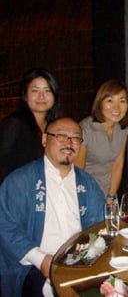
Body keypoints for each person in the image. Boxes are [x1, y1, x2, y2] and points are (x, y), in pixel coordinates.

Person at [0, 117, 104, 296]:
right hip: (34, 266)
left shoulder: (88, 184)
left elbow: (99, 226)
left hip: (80, 264)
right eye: (61, 136)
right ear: (44, 139)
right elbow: (7, 227)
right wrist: (42, 260)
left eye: (75, 138)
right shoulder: (20, 181)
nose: (69, 143)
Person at [0, 68, 61, 184]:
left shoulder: (54, 126)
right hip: (16, 190)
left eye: (47, 91)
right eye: (35, 91)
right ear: (25, 95)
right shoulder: (14, 123)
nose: (41, 96)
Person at [74, 79, 128, 201]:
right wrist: (90, 199)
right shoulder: (85, 130)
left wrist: (111, 196)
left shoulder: (122, 129)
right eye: (110, 100)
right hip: (86, 195)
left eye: (122, 101)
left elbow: (118, 165)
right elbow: (78, 172)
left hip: (109, 194)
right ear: (100, 103)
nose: (116, 107)